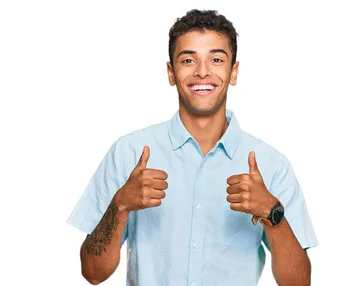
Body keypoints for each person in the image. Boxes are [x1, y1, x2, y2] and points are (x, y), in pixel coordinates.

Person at [67, 9, 318, 286]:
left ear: (233, 72)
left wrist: (273, 214)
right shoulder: (129, 153)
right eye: (188, 60)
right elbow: (92, 272)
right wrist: (121, 205)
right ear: (171, 73)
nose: (202, 71)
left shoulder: (272, 165)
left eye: (216, 59)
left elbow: (299, 282)